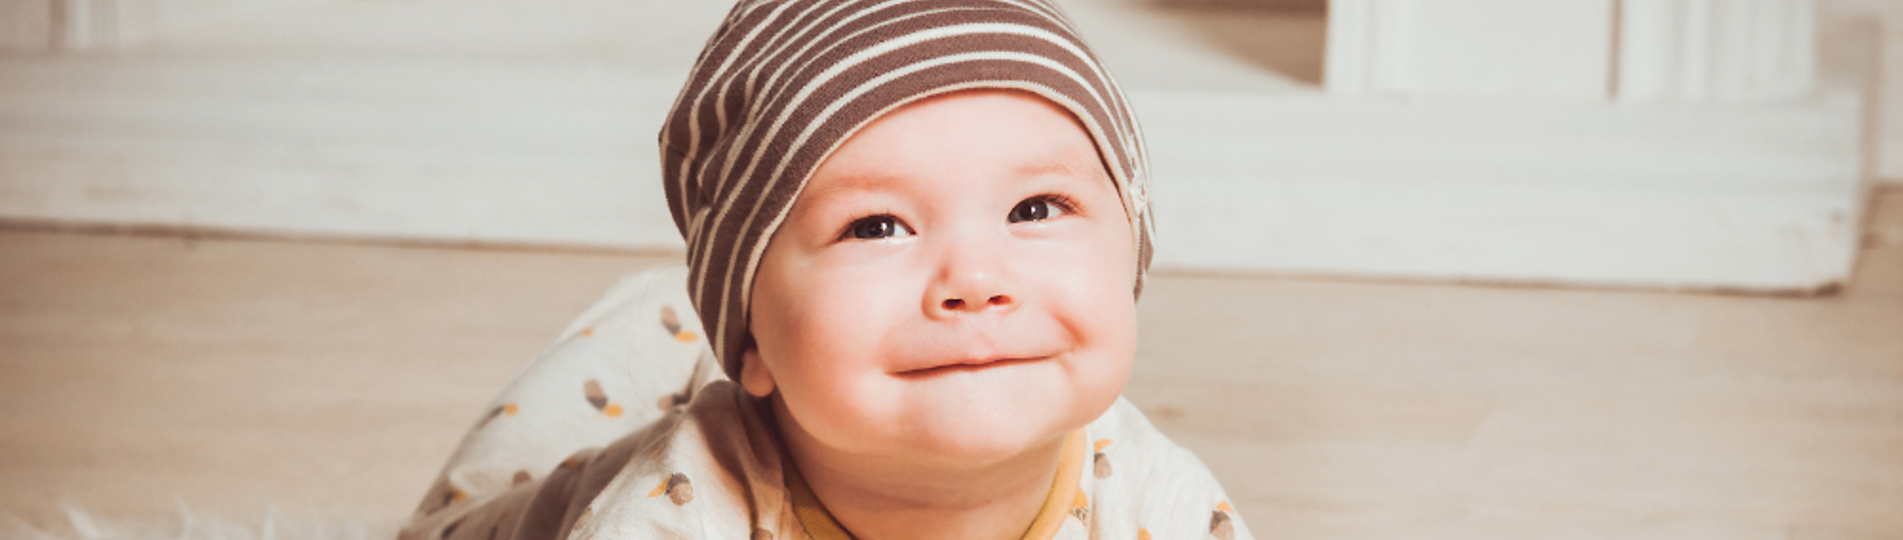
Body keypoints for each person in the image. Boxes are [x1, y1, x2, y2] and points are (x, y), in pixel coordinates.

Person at [400, 0, 1251, 538]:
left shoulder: (1149, 493)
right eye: (875, 225)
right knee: (626, 352)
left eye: (1035, 209)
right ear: (752, 341)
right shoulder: (677, 501)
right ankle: (670, 317)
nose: (975, 278)